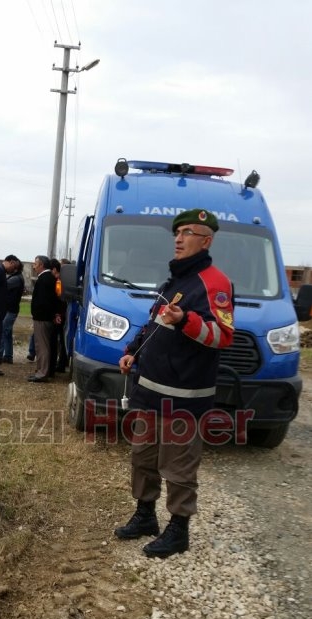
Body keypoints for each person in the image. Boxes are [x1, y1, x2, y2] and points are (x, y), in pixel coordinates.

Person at [114, 209, 234, 558]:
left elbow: (222, 336)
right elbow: (154, 325)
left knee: (178, 466)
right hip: (150, 390)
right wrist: (132, 352)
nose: (178, 239)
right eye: (176, 232)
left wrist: (186, 320)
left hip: (184, 397)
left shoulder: (215, 283)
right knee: (144, 457)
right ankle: (145, 516)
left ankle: (178, 531)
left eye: (187, 232)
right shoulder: (175, 281)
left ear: (206, 240)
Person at [28, 255, 61, 383]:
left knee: (42, 346)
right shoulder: (48, 278)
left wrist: (41, 314)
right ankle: (41, 370)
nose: (34, 266)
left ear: (41, 265)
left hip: (42, 318)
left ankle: (42, 372)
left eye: (35, 264)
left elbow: (44, 301)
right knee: (42, 345)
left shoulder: (44, 279)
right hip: (44, 317)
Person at [0, 260, 25, 364]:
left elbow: (3, 286)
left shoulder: (15, 279)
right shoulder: (18, 277)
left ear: (15, 268)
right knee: (7, 333)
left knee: (3, 331)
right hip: (12, 308)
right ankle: (8, 356)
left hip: (11, 309)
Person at [49, 258, 68, 375]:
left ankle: (61, 363)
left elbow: (60, 298)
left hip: (60, 314)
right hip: (62, 313)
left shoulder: (59, 281)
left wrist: (58, 314)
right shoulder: (61, 280)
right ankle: (60, 362)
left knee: (58, 339)